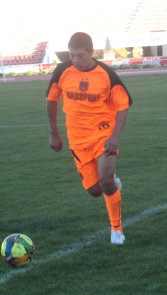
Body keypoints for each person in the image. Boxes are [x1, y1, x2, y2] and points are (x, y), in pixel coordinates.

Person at [46, 32, 132, 245]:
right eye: (72, 55)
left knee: (106, 180)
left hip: (103, 134)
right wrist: (53, 132)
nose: (75, 60)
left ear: (92, 53)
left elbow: (123, 106)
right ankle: (111, 183)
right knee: (95, 191)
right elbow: (51, 100)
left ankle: (116, 230)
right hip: (77, 140)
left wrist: (114, 136)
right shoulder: (62, 71)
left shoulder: (106, 74)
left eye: (80, 56)